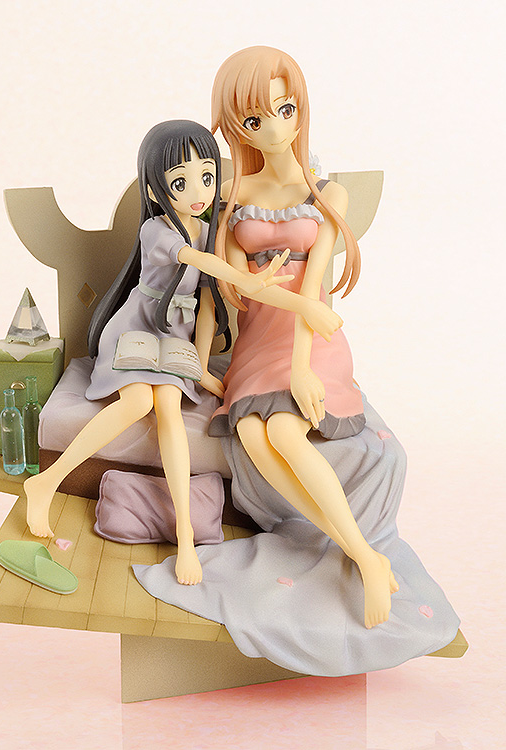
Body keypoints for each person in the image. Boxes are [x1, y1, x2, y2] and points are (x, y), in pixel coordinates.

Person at [134, 52, 459, 674]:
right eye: (255, 120)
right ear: (236, 126)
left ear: (301, 109)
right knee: (255, 435)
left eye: (286, 110)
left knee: (283, 429)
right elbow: (229, 289)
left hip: (310, 336)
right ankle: (359, 550)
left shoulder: (326, 193)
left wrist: (304, 367)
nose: (276, 128)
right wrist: (206, 356)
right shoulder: (233, 194)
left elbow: (315, 288)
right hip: (258, 339)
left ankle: (362, 555)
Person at [24, 119, 337, 585]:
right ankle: (46, 482)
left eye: (207, 178)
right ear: (156, 189)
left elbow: (207, 304)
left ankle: (186, 536)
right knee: (138, 402)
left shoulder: (211, 230)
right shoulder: (157, 230)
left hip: (173, 338)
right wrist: (248, 281)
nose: (198, 192)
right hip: (136, 328)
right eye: (180, 182)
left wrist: (200, 367)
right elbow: (197, 261)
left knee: (169, 407)